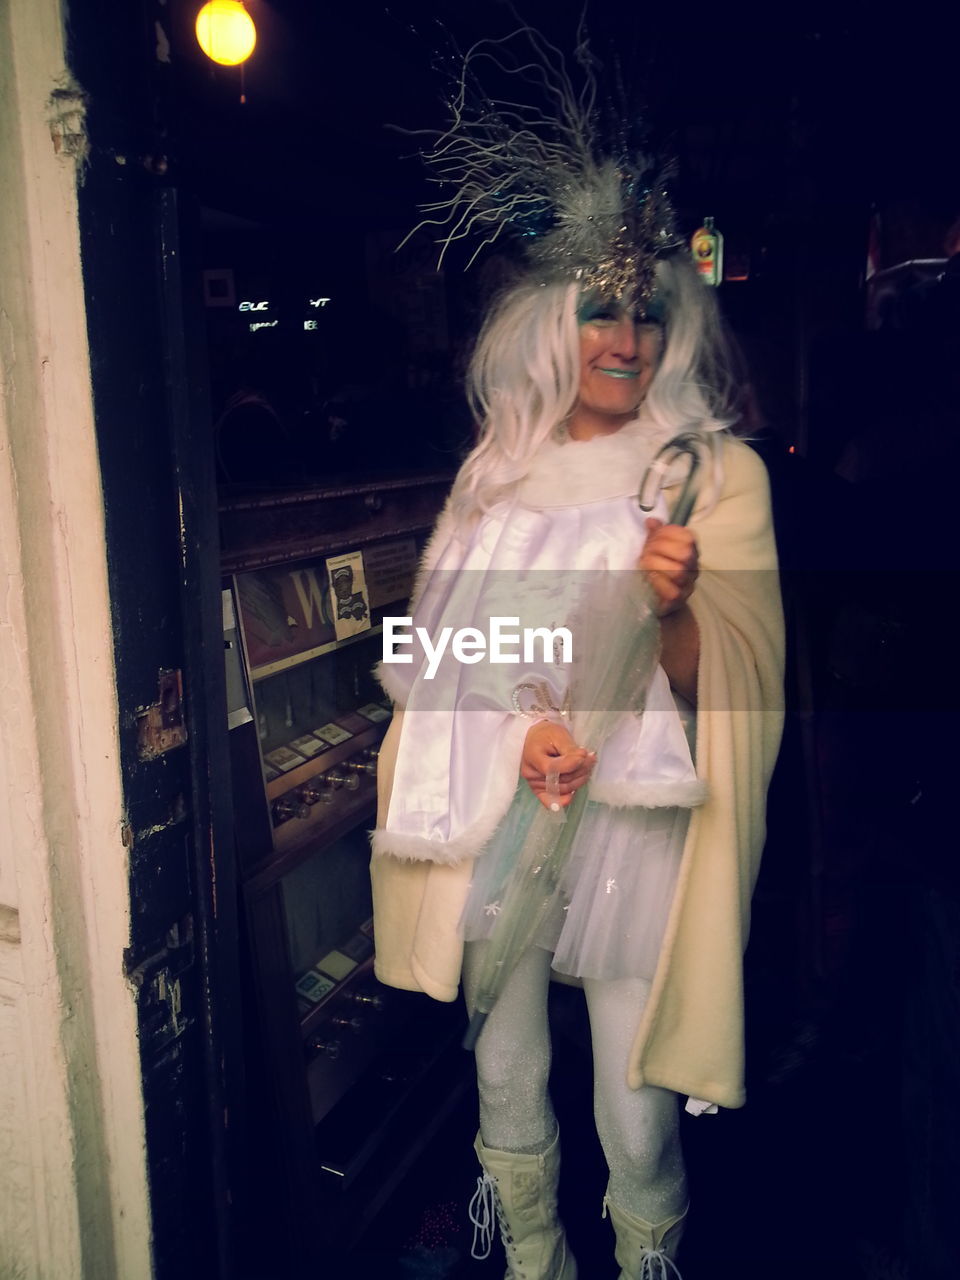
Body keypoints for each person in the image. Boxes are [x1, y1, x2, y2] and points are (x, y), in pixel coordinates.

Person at [369, 32, 784, 1279]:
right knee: (502, 1060)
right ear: (555, 319)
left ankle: (644, 1259)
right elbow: (421, 652)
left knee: (632, 1089)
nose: (624, 336)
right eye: (600, 308)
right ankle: (535, 1257)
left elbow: (746, 693)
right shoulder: (496, 472)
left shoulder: (712, 473)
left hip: (639, 828)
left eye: (648, 311)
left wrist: (674, 612)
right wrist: (520, 731)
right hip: (510, 803)